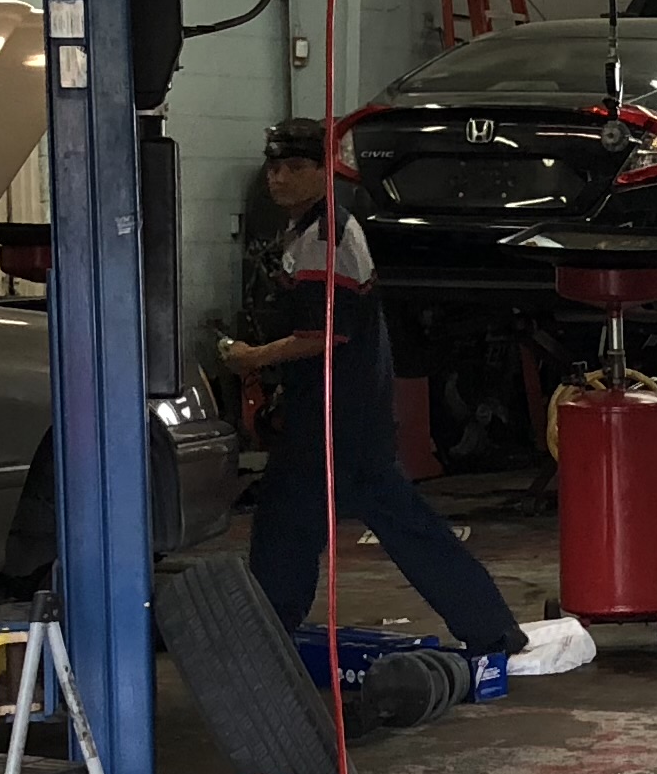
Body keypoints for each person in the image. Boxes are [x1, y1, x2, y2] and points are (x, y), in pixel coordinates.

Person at [220, 119, 534, 657]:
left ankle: (490, 629)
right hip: (325, 412)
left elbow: (322, 335)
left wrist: (252, 357)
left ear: (325, 172)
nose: (281, 179)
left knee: (376, 521)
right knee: (291, 521)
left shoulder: (330, 237)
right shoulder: (302, 234)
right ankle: (272, 629)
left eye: (297, 168)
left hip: (340, 415)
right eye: (275, 168)